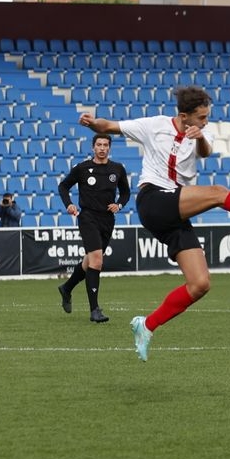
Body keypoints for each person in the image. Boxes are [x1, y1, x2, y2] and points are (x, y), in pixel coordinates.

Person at [78, 86, 230, 361]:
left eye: (206, 117)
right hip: (153, 200)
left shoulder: (203, 130)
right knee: (217, 193)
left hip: (175, 212)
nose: (205, 121)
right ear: (183, 115)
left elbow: (205, 151)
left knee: (200, 283)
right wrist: (93, 122)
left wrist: (200, 135)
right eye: (201, 117)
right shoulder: (154, 125)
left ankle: (147, 325)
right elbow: (110, 126)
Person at [56, 133, 131, 323]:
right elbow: (63, 186)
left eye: (106, 145)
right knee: (97, 261)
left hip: (107, 219)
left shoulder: (117, 169)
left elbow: (126, 192)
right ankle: (95, 310)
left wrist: (119, 205)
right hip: (88, 217)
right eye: (99, 144)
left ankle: (67, 288)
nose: (102, 148)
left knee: (89, 261)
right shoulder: (82, 168)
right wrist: (69, 204)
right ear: (93, 147)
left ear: (109, 148)